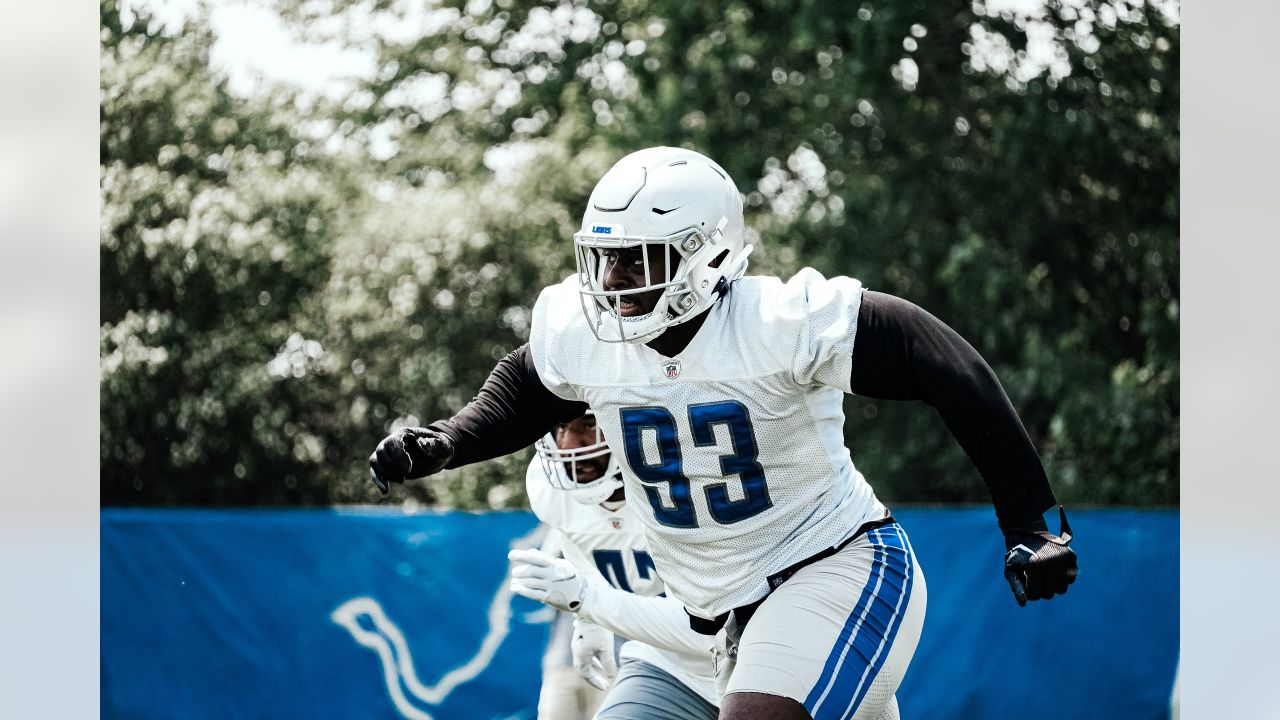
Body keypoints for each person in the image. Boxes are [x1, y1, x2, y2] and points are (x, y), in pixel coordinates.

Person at [369, 146, 1078, 720]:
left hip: (831, 571)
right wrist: (445, 442)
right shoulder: (582, 334)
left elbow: (935, 355)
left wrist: (1029, 519)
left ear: (704, 254)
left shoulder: (776, 322)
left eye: (636, 259)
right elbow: (528, 386)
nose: (612, 280)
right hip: (703, 621)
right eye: (603, 257)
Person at [514, 411, 719, 720]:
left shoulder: (684, 491)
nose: (570, 445)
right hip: (665, 665)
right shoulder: (550, 489)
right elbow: (580, 550)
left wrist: (587, 601)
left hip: (743, 662)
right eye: (560, 427)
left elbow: (708, 632)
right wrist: (589, 621)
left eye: (589, 425)